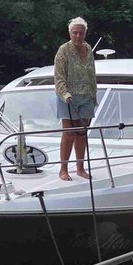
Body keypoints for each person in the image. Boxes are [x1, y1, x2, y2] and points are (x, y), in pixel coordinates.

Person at [54, 17, 97, 180]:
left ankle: (80, 168)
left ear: (85, 33)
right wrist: (65, 94)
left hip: (86, 96)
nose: (78, 36)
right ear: (70, 33)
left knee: (82, 133)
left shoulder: (88, 48)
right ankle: (63, 170)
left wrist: (94, 95)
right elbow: (58, 76)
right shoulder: (63, 50)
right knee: (69, 133)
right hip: (67, 97)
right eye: (75, 32)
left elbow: (92, 73)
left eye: (81, 32)